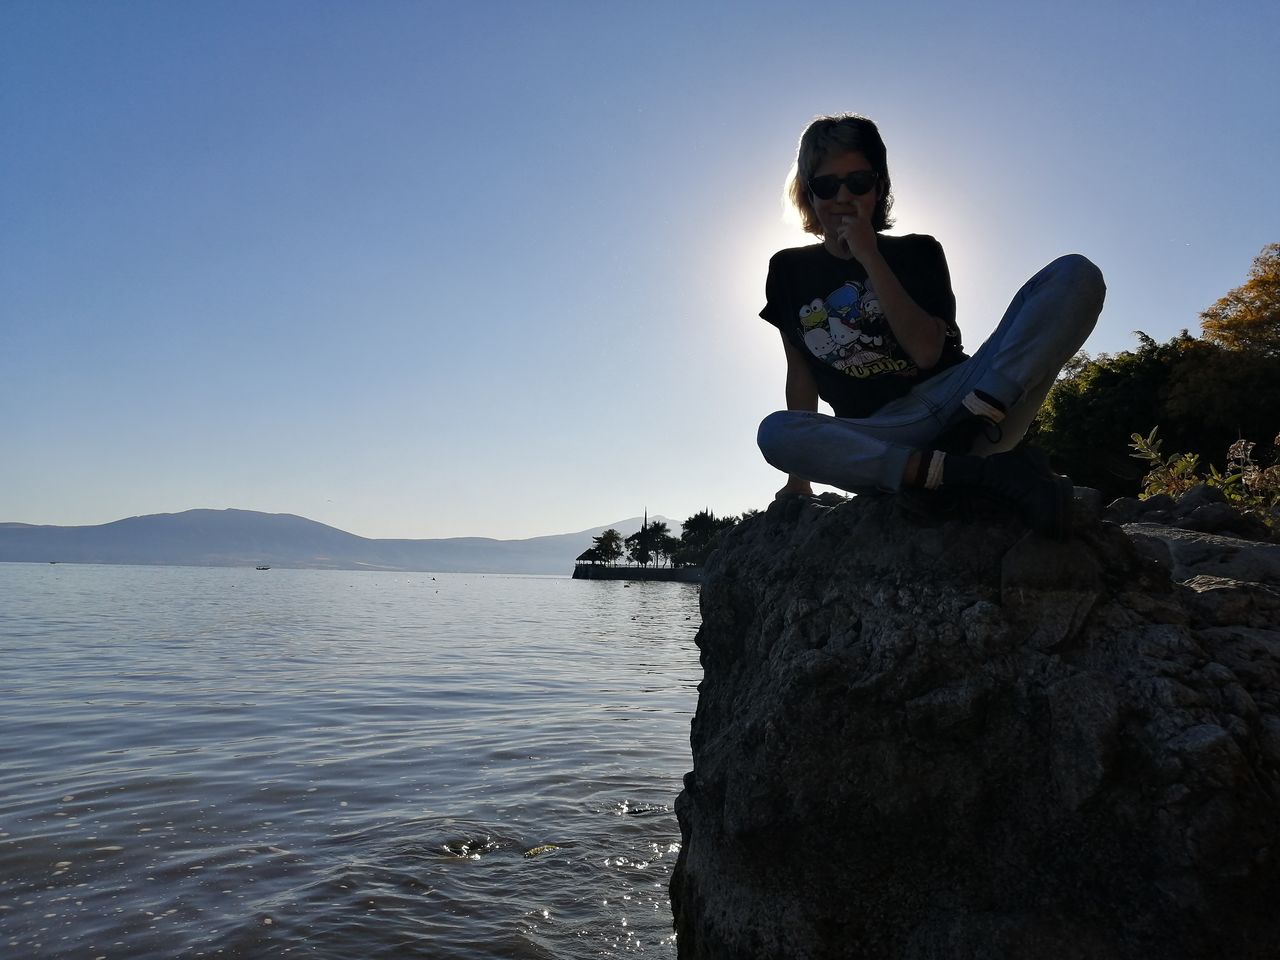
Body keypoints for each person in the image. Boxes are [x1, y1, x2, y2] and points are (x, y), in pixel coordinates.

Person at [756, 114, 1106, 538]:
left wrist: (870, 257)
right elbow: (800, 370)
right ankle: (966, 475)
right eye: (827, 186)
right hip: (883, 434)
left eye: (859, 182)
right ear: (809, 195)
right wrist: (799, 478)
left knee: (1074, 275)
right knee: (776, 433)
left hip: (970, 405)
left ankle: (957, 456)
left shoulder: (919, 252)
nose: (843, 196)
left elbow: (925, 351)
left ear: (879, 186)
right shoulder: (787, 270)